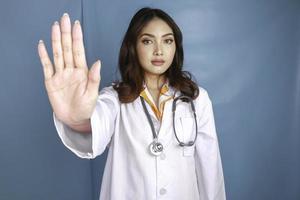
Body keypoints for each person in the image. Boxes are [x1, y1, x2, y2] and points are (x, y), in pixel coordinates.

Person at [37, 7, 226, 200]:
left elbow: (210, 168)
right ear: (133, 46)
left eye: (168, 41)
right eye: (147, 41)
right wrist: (77, 120)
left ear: (176, 46)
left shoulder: (196, 99)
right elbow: (95, 127)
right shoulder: (115, 98)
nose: (159, 50)